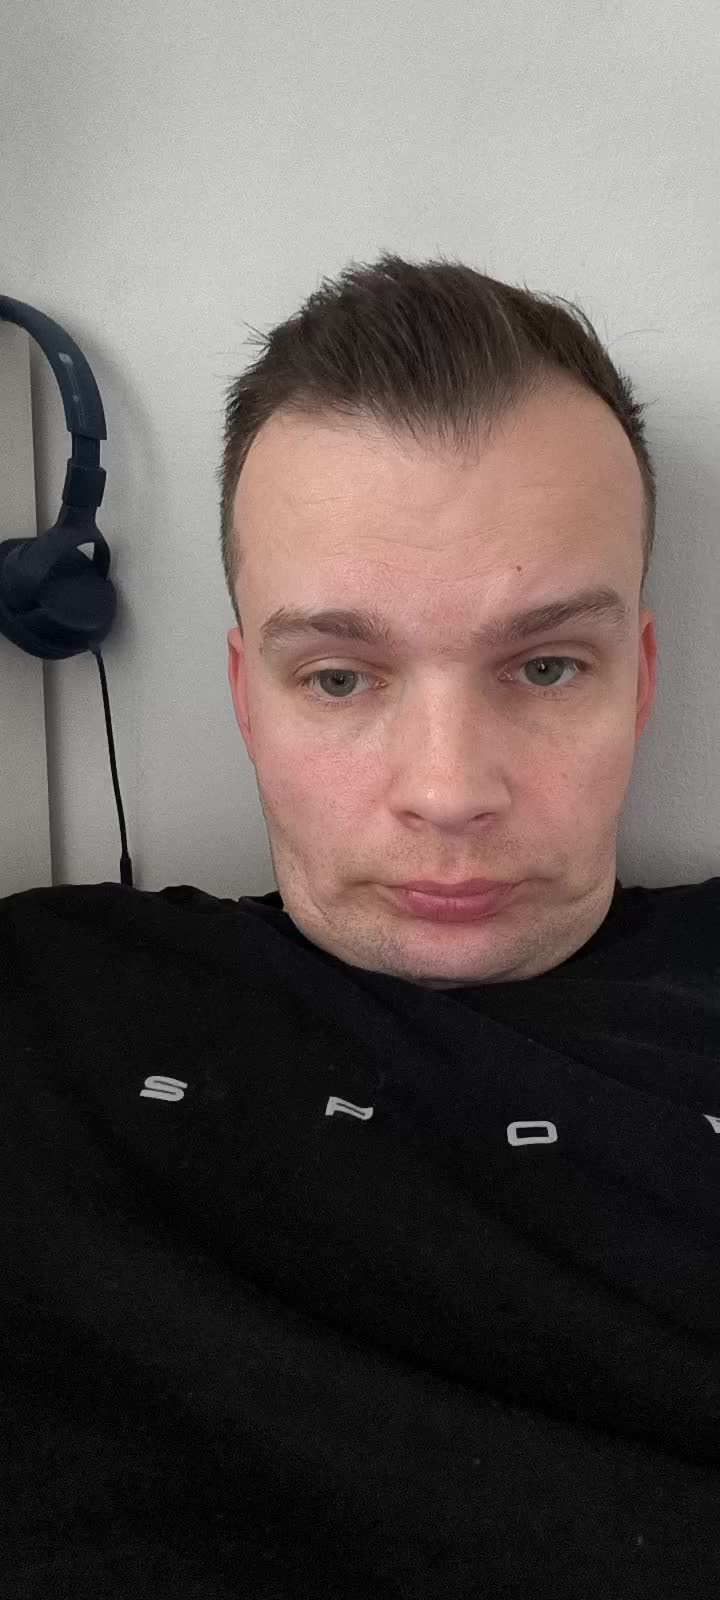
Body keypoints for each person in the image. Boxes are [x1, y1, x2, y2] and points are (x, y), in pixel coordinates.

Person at [2, 252, 718, 1598]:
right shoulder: (41, 1002)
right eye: (339, 677)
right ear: (245, 697)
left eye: (546, 665)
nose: (448, 793)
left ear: (640, 682)